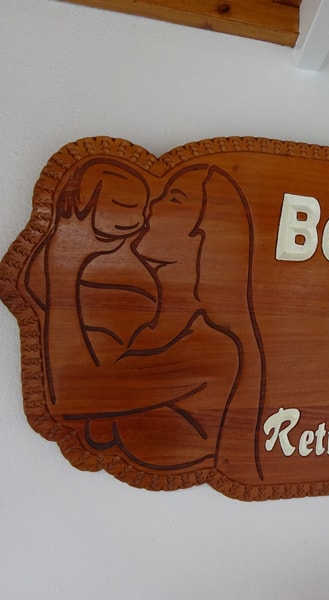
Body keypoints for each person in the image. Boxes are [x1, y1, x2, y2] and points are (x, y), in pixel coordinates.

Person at [39, 161, 265, 480]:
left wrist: (63, 263)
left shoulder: (212, 346)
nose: (152, 205)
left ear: (203, 234)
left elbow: (71, 399)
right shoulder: (149, 332)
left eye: (174, 198)